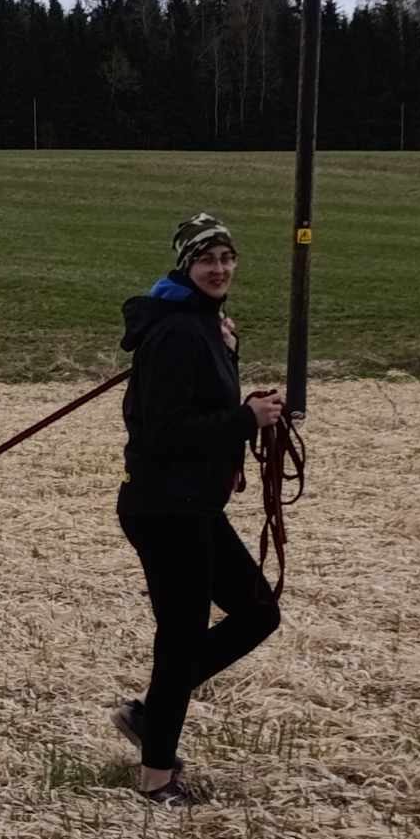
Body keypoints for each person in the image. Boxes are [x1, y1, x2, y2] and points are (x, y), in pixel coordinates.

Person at [110, 212, 284, 805]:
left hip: (192, 506)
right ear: (186, 266)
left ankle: (151, 713)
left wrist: (236, 373)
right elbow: (162, 431)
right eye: (207, 260)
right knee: (181, 638)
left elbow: (199, 401)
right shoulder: (178, 331)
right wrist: (244, 418)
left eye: (227, 258)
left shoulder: (202, 323)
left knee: (258, 612)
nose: (219, 269)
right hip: (165, 508)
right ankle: (158, 775)